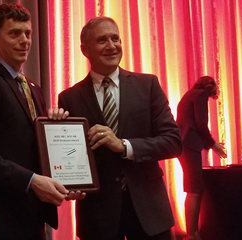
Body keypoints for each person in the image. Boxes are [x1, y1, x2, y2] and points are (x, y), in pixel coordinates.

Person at [0, 3, 84, 240]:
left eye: (28, 33)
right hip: (3, 219)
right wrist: (31, 181)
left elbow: (35, 149)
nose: (25, 40)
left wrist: (67, 179)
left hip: (33, 216)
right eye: (14, 33)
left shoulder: (33, 88)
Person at [58, 16, 182, 240]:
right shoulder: (69, 98)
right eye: (102, 40)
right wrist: (69, 182)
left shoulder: (148, 86)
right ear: (84, 50)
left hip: (150, 215)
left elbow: (173, 141)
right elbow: (70, 154)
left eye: (116, 38)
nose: (112, 46)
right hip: (98, 217)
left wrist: (124, 146)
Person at [176, 76, 227, 240]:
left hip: (184, 144)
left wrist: (209, 144)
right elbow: (201, 124)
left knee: (194, 189)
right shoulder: (200, 95)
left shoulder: (189, 94)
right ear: (209, 88)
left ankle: (193, 233)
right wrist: (213, 144)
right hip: (189, 145)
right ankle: (192, 234)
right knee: (195, 190)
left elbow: (189, 124)